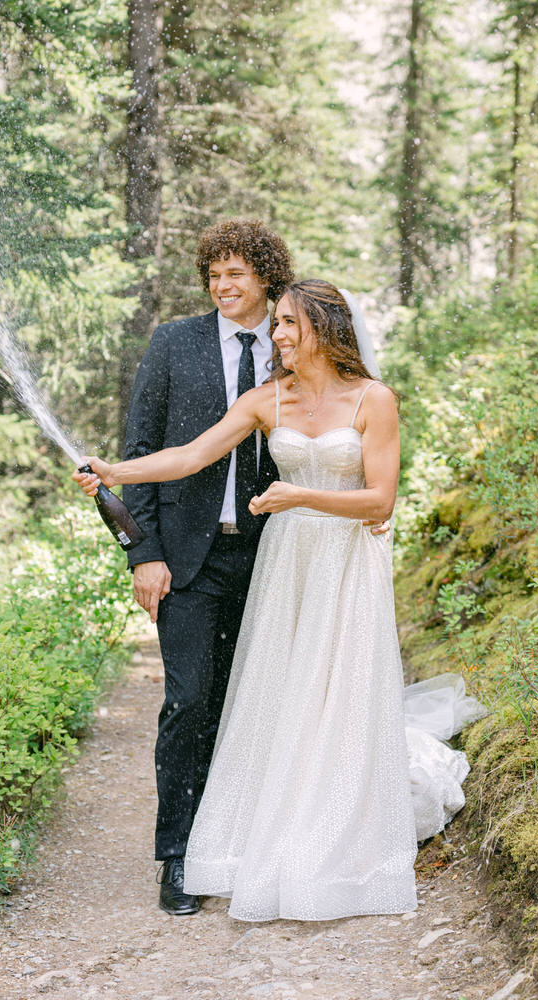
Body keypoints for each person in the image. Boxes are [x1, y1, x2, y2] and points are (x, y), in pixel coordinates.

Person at [76, 279, 417, 921]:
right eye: (278, 325)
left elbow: (380, 501)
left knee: (337, 690)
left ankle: (339, 830)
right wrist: (118, 472)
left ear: (325, 329)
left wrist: (300, 497)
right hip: (288, 564)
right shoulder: (268, 401)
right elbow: (189, 456)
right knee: (282, 693)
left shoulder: (375, 400)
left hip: (345, 563)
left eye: (289, 325)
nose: (278, 336)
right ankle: (266, 828)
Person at [118, 219, 290, 915]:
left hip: (271, 558)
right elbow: (141, 449)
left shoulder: (292, 346)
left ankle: (239, 839)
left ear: (265, 279)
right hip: (187, 559)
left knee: (246, 703)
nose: (222, 286)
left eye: (236, 274)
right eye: (214, 275)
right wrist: (144, 552)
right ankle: (178, 855)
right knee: (188, 703)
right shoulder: (172, 344)